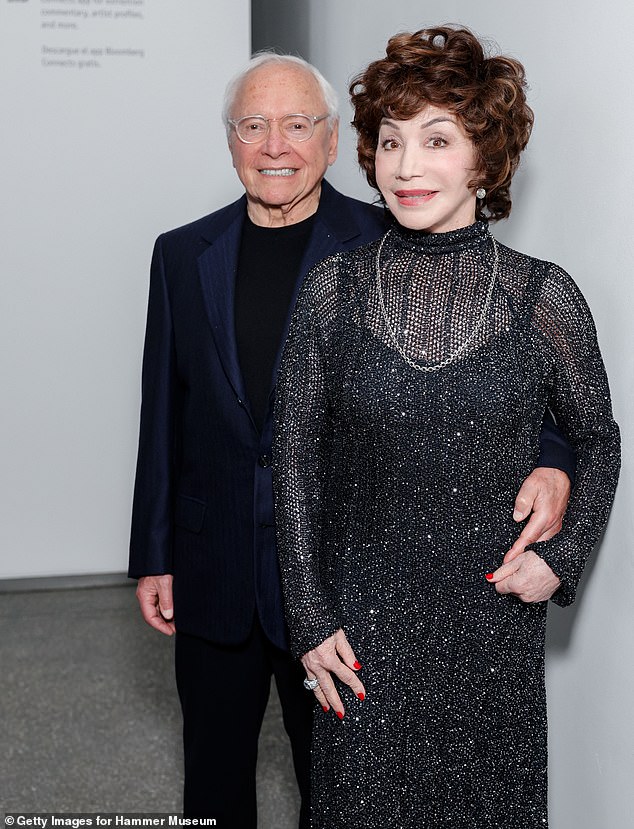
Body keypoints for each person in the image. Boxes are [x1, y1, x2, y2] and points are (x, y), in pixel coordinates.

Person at [129, 51, 574, 827]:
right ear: (230, 141)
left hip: (347, 586)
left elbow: (522, 391)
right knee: (213, 778)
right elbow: (162, 410)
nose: (275, 145)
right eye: (253, 125)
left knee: (336, 787)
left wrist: (555, 465)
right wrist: (153, 553)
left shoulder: (394, 234)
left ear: (334, 143)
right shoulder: (179, 253)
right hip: (216, 563)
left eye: (297, 124)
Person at [272, 27, 620, 829]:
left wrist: (563, 558)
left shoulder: (542, 296)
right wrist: (311, 618)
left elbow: (598, 438)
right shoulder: (333, 290)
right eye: (390, 141)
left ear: (485, 158)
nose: (405, 166)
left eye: (437, 139)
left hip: (490, 635)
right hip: (359, 636)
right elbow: (293, 461)